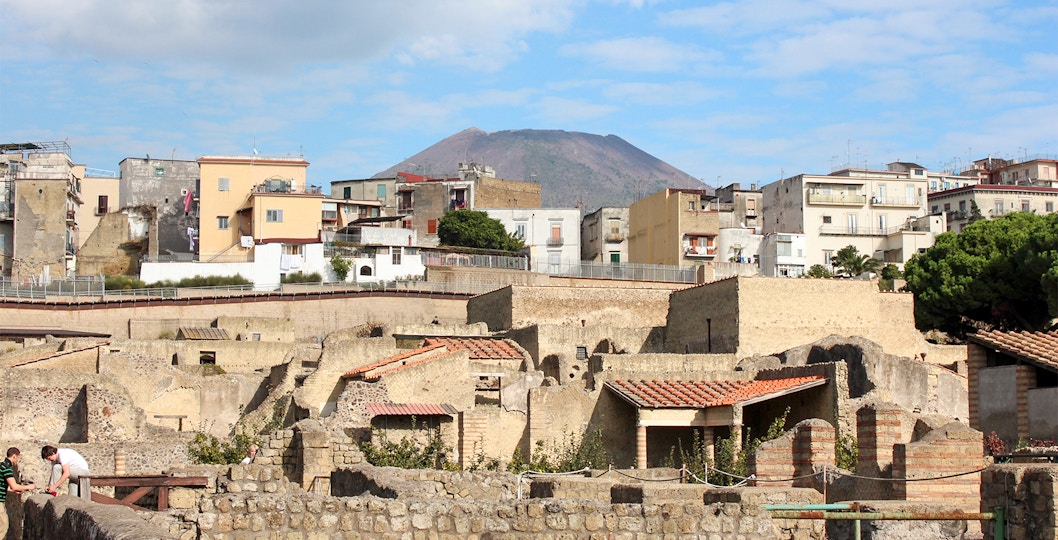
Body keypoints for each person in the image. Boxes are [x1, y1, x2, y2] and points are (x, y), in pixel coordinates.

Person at [1, 447, 36, 539]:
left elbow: (5, 486)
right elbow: (14, 486)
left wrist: (15, 490)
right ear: (14, 456)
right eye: (18, 458)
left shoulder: (1, 465)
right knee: (3, 525)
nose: (17, 460)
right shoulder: (6, 468)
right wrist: (29, 487)